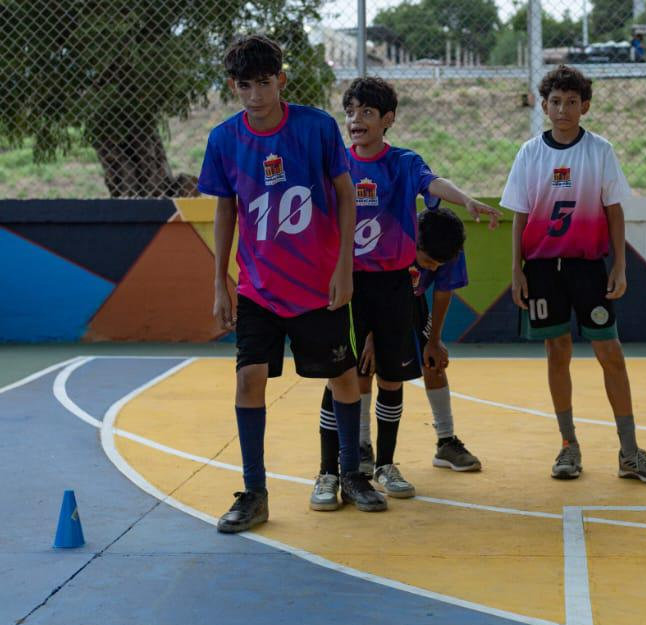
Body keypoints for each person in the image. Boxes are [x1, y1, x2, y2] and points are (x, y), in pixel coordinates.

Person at [199, 35, 385, 534]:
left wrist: (344, 267)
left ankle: (351, 474)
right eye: (245, 85)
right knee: (248, 378)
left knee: (342, 376)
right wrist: (220, 282)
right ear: (233, 87)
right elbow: (225, 209)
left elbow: (345, 194)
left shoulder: (316, 127)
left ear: (281, 81)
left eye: (265, 83)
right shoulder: (224, 140)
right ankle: (254, 492)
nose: (255, 94)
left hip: (317, 286)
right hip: (258, 288)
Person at [310, 77, 498, 510]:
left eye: (367, 112)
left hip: (394, 284)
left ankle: (385, 465)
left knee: (392, 378)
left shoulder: (403, 163)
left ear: (388, 119)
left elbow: (433, 183)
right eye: (350, 112)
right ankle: (329, 470)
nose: (356, 119)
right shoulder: (337, 165)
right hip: (350, 281)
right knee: (342, 374)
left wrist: (467, 200)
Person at [499, 64, 646, 483]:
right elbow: (520, 215)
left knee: (610, 352)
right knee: (557, 352)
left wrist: (620, 265)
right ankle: (568, 444)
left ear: (585, 106)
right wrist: (516, 270)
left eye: (572, 102)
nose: (563, 109)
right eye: (555, 102)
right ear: (544, 106)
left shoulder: (600, 151)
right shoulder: (530, 153)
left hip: (588, 267)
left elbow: (614, 210)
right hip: (542, 268)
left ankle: (629, 451)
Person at [316, 206, 482, 496]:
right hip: (368, 298)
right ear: (413, 243)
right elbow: (366, 290)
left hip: (409, 301)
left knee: (432, 362)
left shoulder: (448, 245)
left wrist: (435, 339)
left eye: (438, 265)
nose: (432, 269)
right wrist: (371, 338)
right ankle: (362, 446)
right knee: (363, 366)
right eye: (428, 262)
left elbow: (443, 291)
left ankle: (445, 441)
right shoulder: (390, 238)